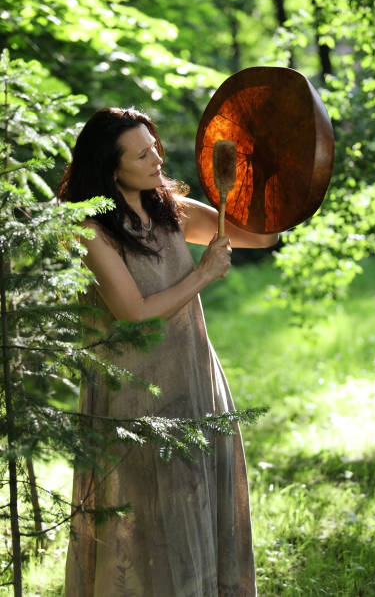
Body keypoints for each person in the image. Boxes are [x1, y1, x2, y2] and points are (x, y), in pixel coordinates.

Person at [59, 107, 279, 597]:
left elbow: (264, 235)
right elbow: (133, 312)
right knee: (144, 517)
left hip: (193, 374)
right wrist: (202, 274)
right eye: (142, 153)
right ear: (111, 168)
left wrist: (260, 174)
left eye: (154, 144)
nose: (157, 156)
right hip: (135, 392)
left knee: (199, 500)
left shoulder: (170, 208)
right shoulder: (90, 230)